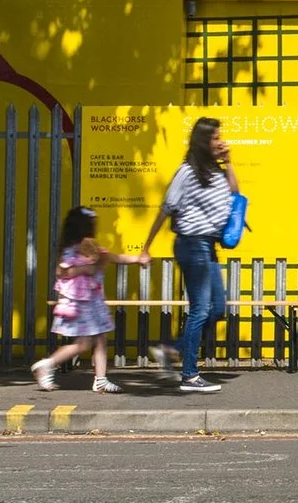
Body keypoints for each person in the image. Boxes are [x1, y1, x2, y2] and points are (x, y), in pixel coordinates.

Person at [143, 116, 234, 394]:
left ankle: (171, 349)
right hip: (192, 244)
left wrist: (229, 161)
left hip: (208, 246)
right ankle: (190, 375)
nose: (220, 142)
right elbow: (167, 208)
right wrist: (146, 247)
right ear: (203, 141)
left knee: (218, 308)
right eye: (216, 137)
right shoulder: (187, 171)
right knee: (200, 309)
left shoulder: (215, 172)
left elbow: (235, 194)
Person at [33, 205, 146, 392]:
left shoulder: (89, 248)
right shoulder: (73, 251)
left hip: (92, 303)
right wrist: (85, 269)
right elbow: (61, 271)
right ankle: (47, 364)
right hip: (82, 304)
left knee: (101, 338)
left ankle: (100, 379)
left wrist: (138, 259)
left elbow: (114, 257)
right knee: (83, 343)